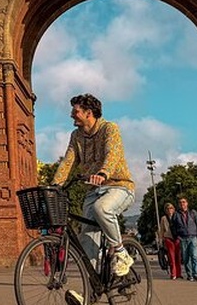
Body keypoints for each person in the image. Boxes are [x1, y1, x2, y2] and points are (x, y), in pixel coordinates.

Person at [51, 94, 136, 278]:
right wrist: (54, 186)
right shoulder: (76, 136)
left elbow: (112, 154)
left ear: (88, 113)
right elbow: (68, 162)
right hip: (93, 190)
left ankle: (121, 252)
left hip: (119, 186)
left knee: (102, 208)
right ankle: (92, 288)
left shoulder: (109, 128)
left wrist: (103, 173)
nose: (71, 115)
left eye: (75, 111)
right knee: (87, 241)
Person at [171, 197, 197, 281]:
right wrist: (176, 236)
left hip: (193, 237)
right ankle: (189, 275)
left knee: (194, 256)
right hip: (182, 238)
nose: (182, 204)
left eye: (183, 202)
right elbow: (173, 226)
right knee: (186, 258)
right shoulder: (176, 214)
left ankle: (195, 274)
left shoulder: (193, 213)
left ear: (187, 203)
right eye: (180, 202)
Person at [159, 202, 183, 280]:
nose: (169, 210)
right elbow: (161, 230)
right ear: (165, 210)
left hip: (177, 238)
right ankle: (173, 273)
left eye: (171, 208)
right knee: (171, 257)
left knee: (178, 256)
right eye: (168, 208)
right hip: (168, 238)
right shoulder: (164, 218)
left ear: (174, 209)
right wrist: (161, 240)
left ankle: (179, 273)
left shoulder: (177, 216)